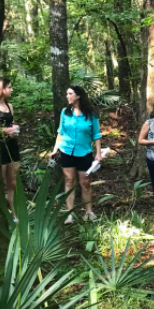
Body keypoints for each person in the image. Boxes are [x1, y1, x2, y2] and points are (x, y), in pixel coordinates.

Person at [48, 86, 102, 224]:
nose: (67, 96)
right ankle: (69, 213)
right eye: (67, 93)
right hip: (66, 151)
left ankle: (89, 211)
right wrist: (55, 150)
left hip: (84, 152)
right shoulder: (65, 112)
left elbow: (96, 135)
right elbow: (60, 132)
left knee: (85, 183)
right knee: (69, 181)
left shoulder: (91, 114)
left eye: (70, 93)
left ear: (78, 96)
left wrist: (98, 153)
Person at [0, 77, 21, 219]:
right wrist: (7, 131)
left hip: (12, 146)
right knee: (1, 181)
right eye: (9, 87)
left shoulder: (10, 106)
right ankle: (2, 214)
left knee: (12, 182)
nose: (11, 90)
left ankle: (14, 214)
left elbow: (12, 123)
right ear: (1, 89)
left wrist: (15, 129)